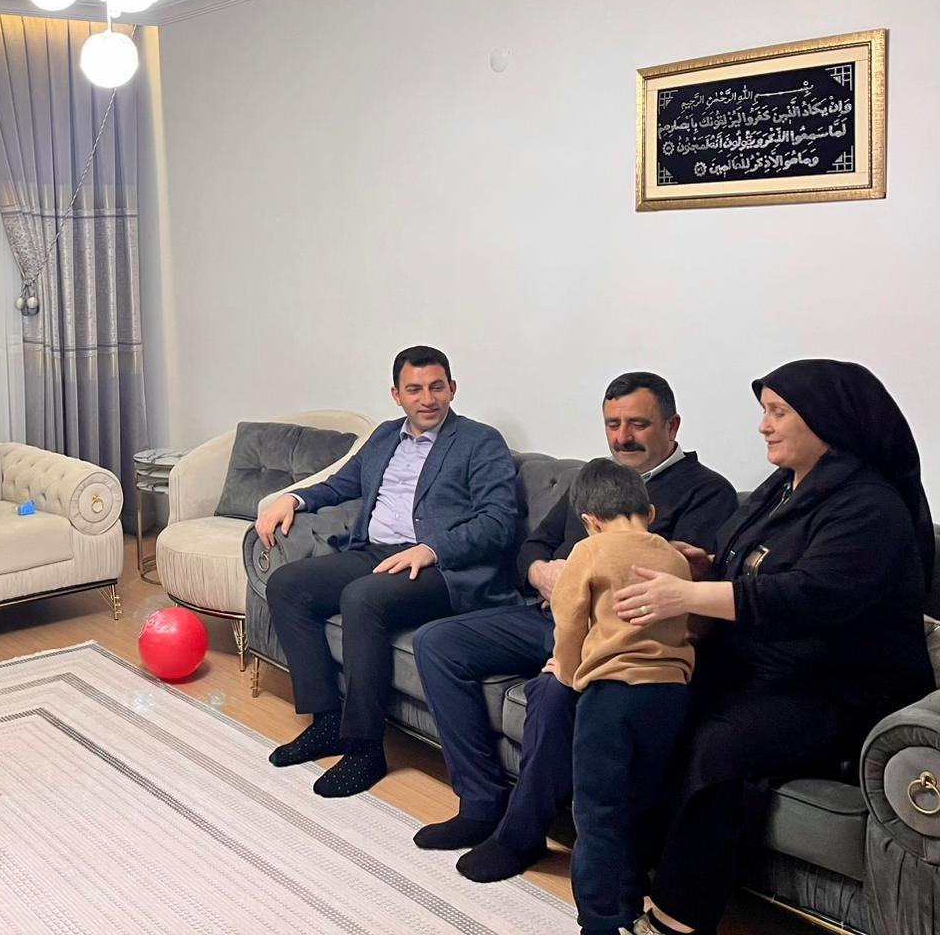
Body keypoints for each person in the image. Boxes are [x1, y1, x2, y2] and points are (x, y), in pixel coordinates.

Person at [616, 360, 934, 935]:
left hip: (841, 687)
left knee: (715, 746)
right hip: (765, 666)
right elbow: (748, 560)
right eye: (764, 411)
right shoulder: (784, 485)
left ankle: (677, 918)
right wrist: (706, 563)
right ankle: (629, 869)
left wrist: (690, 594)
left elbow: (807, 595)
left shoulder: (871, 506)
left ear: (827, 420)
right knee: (648, 699)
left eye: (778, 412)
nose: (763, 426)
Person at [412, 372, 736, 881]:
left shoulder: (707, 492)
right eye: (612, 424)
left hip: (614, 637)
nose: (623, 437)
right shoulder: (594, 480)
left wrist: (584, 601)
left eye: (637, 424)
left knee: (553, 692)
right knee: (436, 642)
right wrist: (544, 574)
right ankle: (480, 802)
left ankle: (520, 837)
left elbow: (680, 586)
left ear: (672, 426)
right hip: (546, 613)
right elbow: (532, 547)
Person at [259, 346, 522, 798]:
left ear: (452, 389)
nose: (427, 399)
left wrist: (432, 549)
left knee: (364, 597)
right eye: (414, 389)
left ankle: (364, 749)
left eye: (437, 387)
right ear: (396, 395)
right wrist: (293, 498)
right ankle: (328, 721)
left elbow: (499, 522)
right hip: (376, 552)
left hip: (445, 568)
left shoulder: (480, 441)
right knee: (288, 585)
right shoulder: (384, 436)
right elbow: (341, 484)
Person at [548, 459, 693, 935]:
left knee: (596, 812)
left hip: (611, 696)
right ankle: (630, 900)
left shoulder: (589, 551)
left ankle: (600, 922)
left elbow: (569, 621)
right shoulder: (674, 557)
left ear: (589, 520)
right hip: (671, 695)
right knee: (639, 803)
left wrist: (569, 674)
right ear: (649, 512)